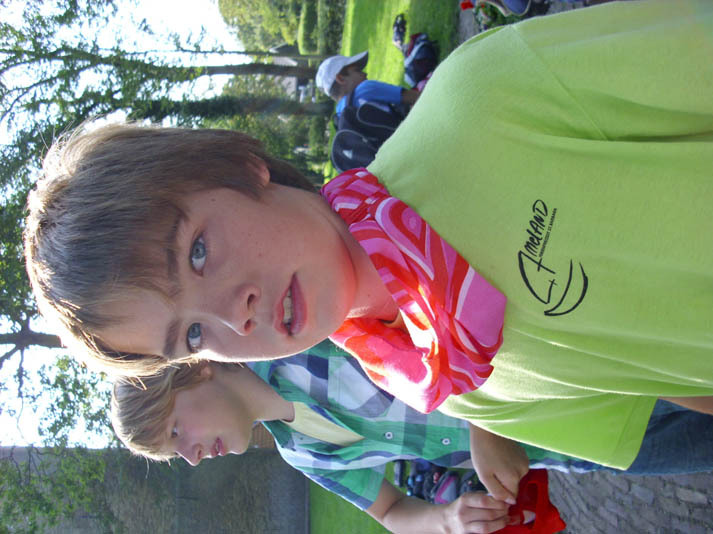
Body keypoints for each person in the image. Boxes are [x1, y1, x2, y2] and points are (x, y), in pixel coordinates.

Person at [24, 0, 713, 500]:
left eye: (197, 252)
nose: (236, 315)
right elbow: (671, 382)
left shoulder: (487, 99)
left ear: (238, 168)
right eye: (193, 334)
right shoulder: (445, 381)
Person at [110, 342, 713, 533]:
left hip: (578, 372)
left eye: (176, 431)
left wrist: (483, 419)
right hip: (587, 450)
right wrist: (446, 519)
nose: (192, 457)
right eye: (176, 455)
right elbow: (393, 512)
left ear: (195, 370)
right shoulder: (303, 454)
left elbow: (437, 320)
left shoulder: (299, 340)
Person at [315, 51, 420, 119]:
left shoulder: (340, 116)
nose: (365, 74)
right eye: (357, 71)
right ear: (341, 79)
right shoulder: (365, 90)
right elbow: (416, 97)